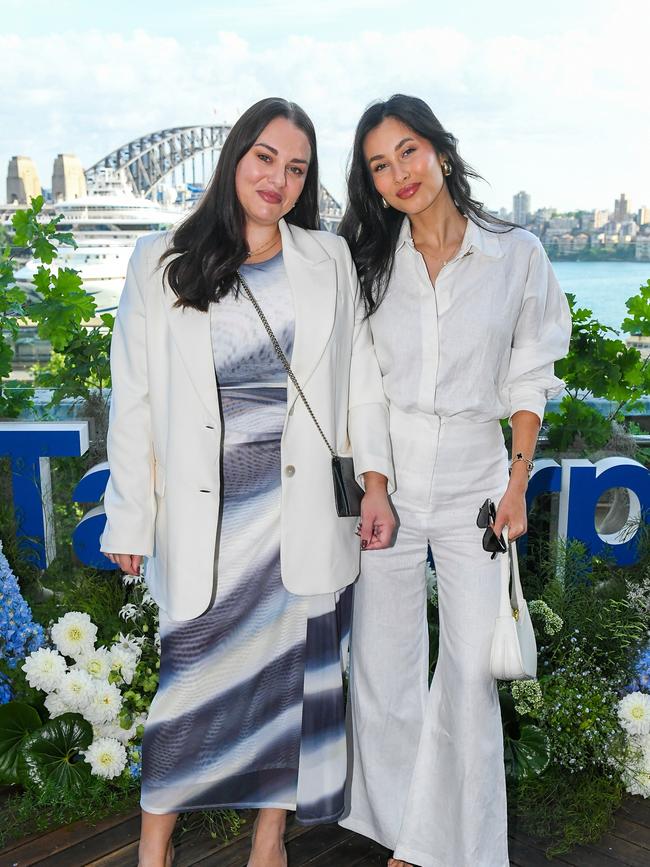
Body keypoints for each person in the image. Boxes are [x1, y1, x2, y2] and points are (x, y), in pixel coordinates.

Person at [100, 97, 395, 867]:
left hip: (295, 512)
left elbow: (361, 375)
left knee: (288, 681)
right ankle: (152, 846)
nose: (278, 179)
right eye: (265, 157)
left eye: (296, 167)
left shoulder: (325, 259)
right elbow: (132, 401)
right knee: (186, 687)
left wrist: (375, 481)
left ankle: (270, 840)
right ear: (235, 156)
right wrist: (128, 520)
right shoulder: (159, 259)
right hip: (207, 516)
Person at [338, 94, 571, 867]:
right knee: (383, 664)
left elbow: (529, 374)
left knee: (470, 668)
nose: (398, 173)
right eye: (379, 165)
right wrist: (373, 485)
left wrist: (517, 480)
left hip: (478, 470)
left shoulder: (517, 254)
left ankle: (450, 845)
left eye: (408, 151)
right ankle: (408, 834)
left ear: (440, 149)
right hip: (391, 476)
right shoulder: (370, 263)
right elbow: (362, 382)